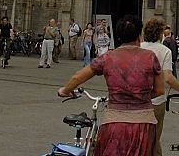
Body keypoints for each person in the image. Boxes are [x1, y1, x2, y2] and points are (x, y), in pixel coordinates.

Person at [58, 15, 163, 156]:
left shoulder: (107, 57)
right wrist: (140, 96)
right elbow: (159, 90)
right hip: (143, 123)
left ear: (119, 36)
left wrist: (65, 90)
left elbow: (78, 77)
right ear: (139, 35)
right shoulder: (150, 57)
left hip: (114, 122)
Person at [141, 18, 179, 156]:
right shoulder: (164, 51)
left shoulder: (138, 47)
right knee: (153, 139)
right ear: (160, 33)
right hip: (156, 101)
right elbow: (168, 77)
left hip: (136, 100)